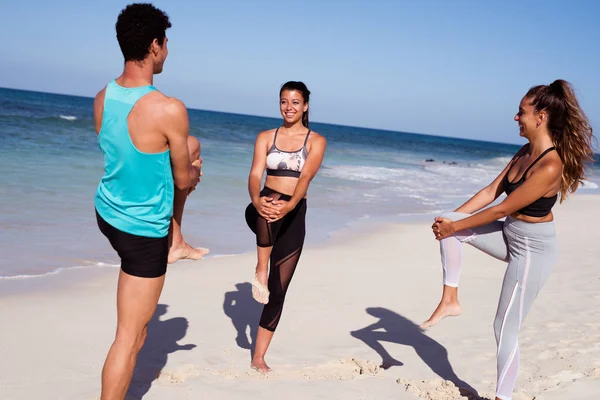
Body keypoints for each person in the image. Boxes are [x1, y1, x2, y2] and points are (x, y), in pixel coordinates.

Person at [421, 79, 595, 400]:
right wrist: (449, 221)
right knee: (452, 221)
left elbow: (502, 207)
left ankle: (504, 397)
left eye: (521, 112)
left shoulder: (550, 164)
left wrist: (453, 228)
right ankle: (450, 300)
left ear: (540, 117)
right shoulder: (524, 152)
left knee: (504, 326)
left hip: (533, 251)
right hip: (509, 234)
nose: (516, 118)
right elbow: (491, 192)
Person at [93, 4, 206, 399]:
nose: (167, 51)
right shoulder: (169, 108)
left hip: (107, 211)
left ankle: (176, 241)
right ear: (155, 45)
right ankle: (172, 239)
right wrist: (194, 175)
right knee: (131, 336)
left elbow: (126, 152)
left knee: (189, 144)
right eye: (166, 43)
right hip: (141, 231)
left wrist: (186, 158)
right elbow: (179, 179)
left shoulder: (102, 97)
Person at [244, 81, 327, 373]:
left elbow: (305, 179)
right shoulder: (265, 136)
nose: (288, 107)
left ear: (305, 106)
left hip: (293, 214)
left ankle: (258, 356)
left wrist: (290, 206)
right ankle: (260, 268)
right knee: (270, 201)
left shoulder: (316, 140)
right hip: (262, 209)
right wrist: (256, 200)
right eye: (283, 101)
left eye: (294, 102)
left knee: (279, 290)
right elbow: (255, 173)